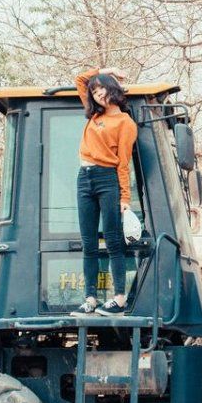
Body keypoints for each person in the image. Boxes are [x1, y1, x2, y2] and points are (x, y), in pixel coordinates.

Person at [71, 66, 138, 316]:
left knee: (112, 241)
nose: (98, 94)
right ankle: (90, 299)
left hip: (107, 179)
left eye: (102, 88)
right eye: (95, 90)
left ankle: (119, 299)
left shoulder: (125, 123)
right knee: (88, 243)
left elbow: (124, 162)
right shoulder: (93, 114)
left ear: (113, 89)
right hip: (84, 178)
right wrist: (104, 69)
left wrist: (125, 198)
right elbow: (80, 79)